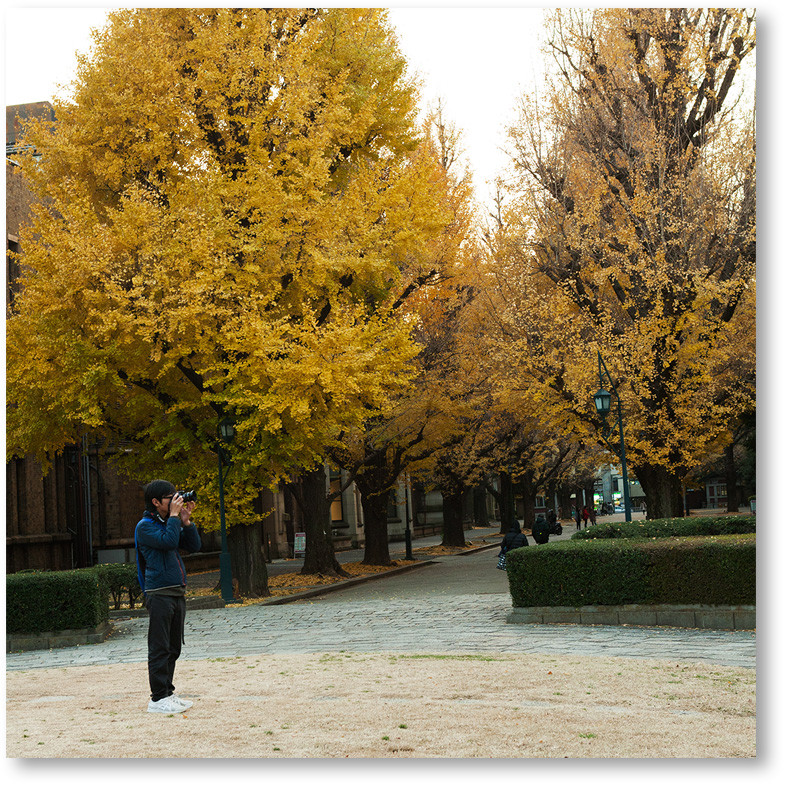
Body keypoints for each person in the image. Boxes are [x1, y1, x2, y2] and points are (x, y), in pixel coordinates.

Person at [135, 480, 201, 714]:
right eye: (169, 497)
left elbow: (194, 546)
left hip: (175, 591)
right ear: (155, 502)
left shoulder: (169, 523)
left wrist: (186, 522)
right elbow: (169, 542)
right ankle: (157, 698)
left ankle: (168, 694)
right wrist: (174, 519)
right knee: (160, 647)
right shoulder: (145, 526)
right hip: (159, 593)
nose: (176, 500)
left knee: (173, 647)